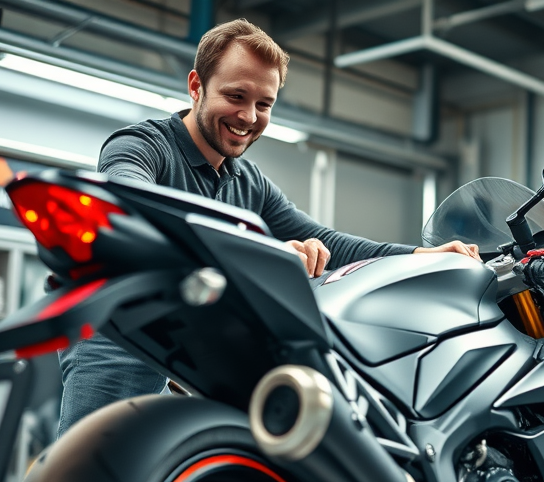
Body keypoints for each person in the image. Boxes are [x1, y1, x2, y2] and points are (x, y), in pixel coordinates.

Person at [57, 18, 479, 437]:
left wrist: (418, 257)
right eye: (236, 96)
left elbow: (331, 243)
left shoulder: (248, 182)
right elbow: (129, 201)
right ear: (196, 86)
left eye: (264, 104)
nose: (248, 116)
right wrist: (263, 255)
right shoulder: (143, 147)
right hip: (120, 338)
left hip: (194, 349)